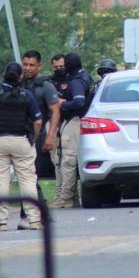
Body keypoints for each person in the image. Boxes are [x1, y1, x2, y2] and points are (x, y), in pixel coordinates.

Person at [0, 62, 43, 231]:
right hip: (22, 141)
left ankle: (0, 222)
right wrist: (33, 139)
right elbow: (38, 121)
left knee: (0, 181)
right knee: (28, 180)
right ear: (20, 76)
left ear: (4, 74)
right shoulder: (27, 95)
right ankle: (34, 220)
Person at [18, 50, 62, 229]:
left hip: (37, 134)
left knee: (29, 175)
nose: (28, 68)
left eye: (31, 65)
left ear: (39, 66)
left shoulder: (46, 86)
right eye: (25, 64)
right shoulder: (19, 83)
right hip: (19, 135)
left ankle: (28, 215)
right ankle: (40, 212)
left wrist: (50, 136)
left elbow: (55, 111)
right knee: (27, 176)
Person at [49, 53, 94, 209]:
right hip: (79, 121)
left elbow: (79, 102)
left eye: (64, 65)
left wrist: (63, 103)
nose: (61, 69)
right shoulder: (86, 76)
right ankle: (71, 197)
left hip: (74, 120)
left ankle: (66, 198)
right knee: (64, 159)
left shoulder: (76, 81)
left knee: (67, 160)